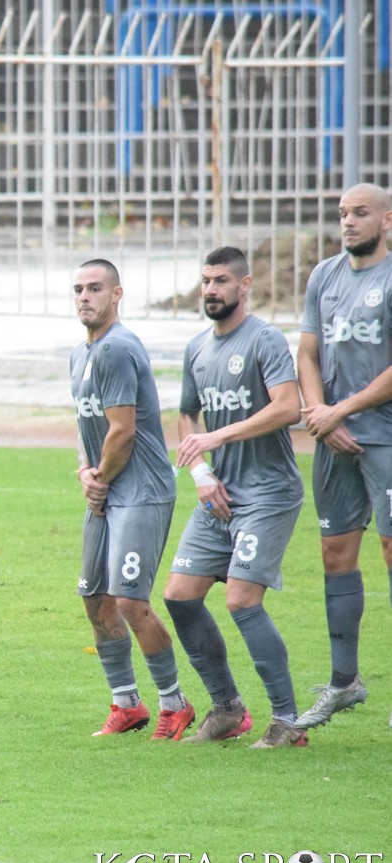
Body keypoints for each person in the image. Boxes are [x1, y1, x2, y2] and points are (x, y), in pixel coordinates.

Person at [163, 247, 307, 748]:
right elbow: (187, 415)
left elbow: (289, 407)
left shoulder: (265, 339)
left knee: (242, 600)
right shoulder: (197, 348)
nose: (210, 290)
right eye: (206, 280)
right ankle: (227, 710)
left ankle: (288, 721)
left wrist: (219, 436)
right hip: (218, 495)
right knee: (179, 596)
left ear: (244, 286)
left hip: (268, 493)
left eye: (221, 280)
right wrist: (201, 471)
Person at [71, 259, 195, 739]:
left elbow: (122, 431)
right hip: (105, 488)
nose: (85, 297)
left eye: (95, 288)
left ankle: (175, 703)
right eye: (78, 289)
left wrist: (99, 478)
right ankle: (127, 704)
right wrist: (86, 471)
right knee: (95, 599)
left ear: (116, 294)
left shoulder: (118, 348)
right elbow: (87, 425)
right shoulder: (80, 354)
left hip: (140, 489)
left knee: (129, 601)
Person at [295, 182, 392, 730]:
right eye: (342, 213)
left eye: (360, 213)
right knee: (335, 554)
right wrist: (318, 414)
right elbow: (308, 353)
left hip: (383, 436)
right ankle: (343, 682)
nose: (348, 222)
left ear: (387, 220)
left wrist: (342, 410)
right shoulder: (324, 276)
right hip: (333, 438)